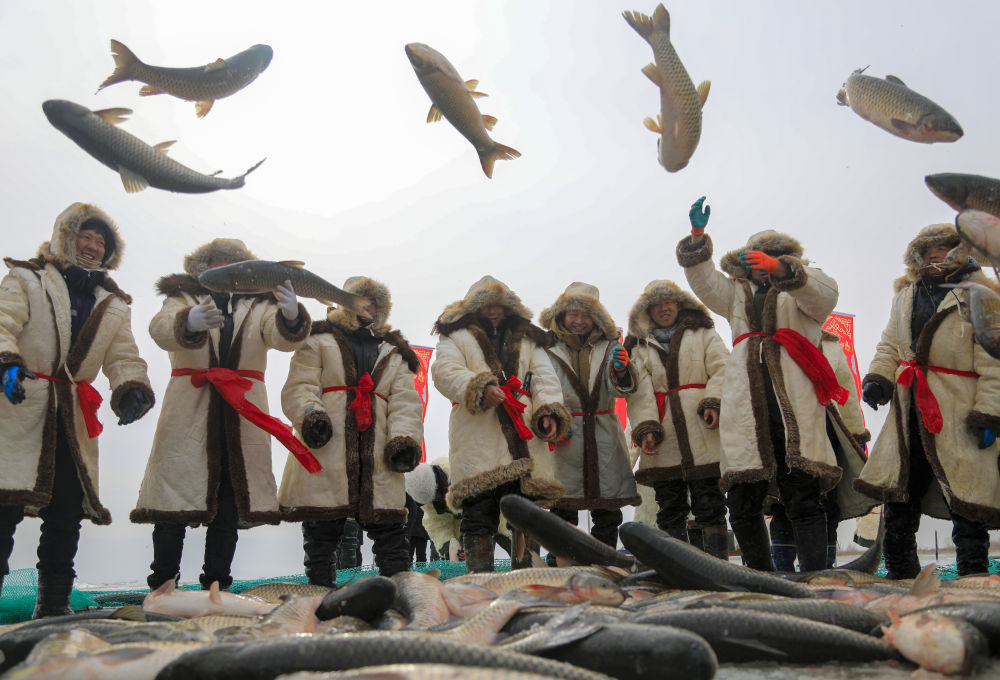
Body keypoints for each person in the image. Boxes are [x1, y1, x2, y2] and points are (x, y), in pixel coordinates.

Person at [0, 203, 154, 617]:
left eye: (100, 242)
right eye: (84, 237)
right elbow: (2, 321)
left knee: (66, 513)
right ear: (65, 237)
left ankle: (51, 606)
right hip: (20, 405)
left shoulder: (114, 304)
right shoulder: (26, 278)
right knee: (3, 506)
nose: (91, 246)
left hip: (71, 414)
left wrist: (130, 388)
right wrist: (6, 362)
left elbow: (124, 355)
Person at [131, 238, 311, 591]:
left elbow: (282, 339)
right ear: (203, 267)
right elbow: (160, 328)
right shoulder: (182, 296)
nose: (224, 267)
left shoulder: (261, 304)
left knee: (229, 503)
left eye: (233, 263)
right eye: (217, 262)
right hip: (190, 408)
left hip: (242, 410)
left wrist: (291, 316)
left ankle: (217, 585)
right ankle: (162, 584)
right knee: (172, 502)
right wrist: (189, 321)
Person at [677, 196, 845, 572]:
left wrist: (783, 269)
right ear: (744, 265)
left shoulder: (803, 290)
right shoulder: (736, 294)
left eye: (769, 259)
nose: (761, 267)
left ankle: (816, 574)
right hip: (746, 406)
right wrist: (697, 236)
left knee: (801, 495)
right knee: (742, 496)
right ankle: (760, 574)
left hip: (794, 407)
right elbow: (703, 282)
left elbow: (826, 293)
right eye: (755, 261)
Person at [855, 223, 1000, 578]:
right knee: (901, 492)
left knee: (967, 497)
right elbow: (890, 344)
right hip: (909, 409)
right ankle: (901, 574)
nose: (935, 257)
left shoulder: (981, 295)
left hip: (960, 407)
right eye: (928, 252)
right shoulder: (905, 295)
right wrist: (878, 378)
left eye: (945, 251)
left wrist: (990, 413)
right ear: (918, 257)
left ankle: (972, 575)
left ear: (960, 253)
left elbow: (994, 359)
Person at [280, 276, 423, 585]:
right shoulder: (316, 338)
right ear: (346, 302)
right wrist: (311, 417)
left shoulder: (395, 351)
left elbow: (406, 402)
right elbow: (299, 386)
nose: (367, 307)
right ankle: (320, 596)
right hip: (326, 445)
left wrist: (404, 439)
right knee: (321, 534)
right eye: (360, 300)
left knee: (391, 535)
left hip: (380, 452)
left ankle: (401, 596)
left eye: (374, 303)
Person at [431, 275, 570, 572]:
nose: (493, 310)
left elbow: (544, 378)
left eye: (498, 305)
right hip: (477, 434)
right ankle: (479, 580)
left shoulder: (530, 339)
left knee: (526, 512)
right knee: (478, 513)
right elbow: (444, 371)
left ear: (508, 307)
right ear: (473, 308)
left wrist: (548, 411)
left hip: (523, 434)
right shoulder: (455, 337)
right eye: (486, 305)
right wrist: (478, 386)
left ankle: (527, 577)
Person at [623, 279, 730, 560]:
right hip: (664, 433)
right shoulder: (639, 345)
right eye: (657, 304)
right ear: (648, 310)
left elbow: (722, 369)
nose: (664, 308)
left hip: (703, 428)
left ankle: (717, 566)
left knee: (710, 502)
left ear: (679, 304)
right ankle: (677, 567)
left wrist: (713, 402)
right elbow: (640, 393)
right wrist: (645, 427)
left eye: (669, 302)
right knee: (669, 507)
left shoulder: (704, 333)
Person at [540, 282, 639, 556]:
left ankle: (603, 562)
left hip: (603, 434)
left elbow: (619, 390)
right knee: (562, 510)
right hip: (563, 437)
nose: (579, 321)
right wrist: (553, 418)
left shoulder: (610, 345)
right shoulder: (545, 347)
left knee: (607, 510)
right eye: (574, 314)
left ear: (597, 317)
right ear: (562, 314)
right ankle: (560, 566)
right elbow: (540, 387)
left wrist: (621, 372)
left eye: (586, 315)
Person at [769, 330, 874, 570]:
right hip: (785, 430)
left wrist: (856, 433)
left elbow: (846, 392)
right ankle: (783, 569)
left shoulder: (831, 347)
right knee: (784, 501)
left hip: (826, 430)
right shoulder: (772, 341)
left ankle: (822, 569)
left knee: (827, 501)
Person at [405, 458, 512, 562]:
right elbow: (436, 523)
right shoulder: (429, 498)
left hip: (500, 513)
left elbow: (480, 510)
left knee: (515, 546)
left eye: (437, 496)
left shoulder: (463, 475)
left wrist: (472, 543)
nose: (436, 499)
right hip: (465, 526)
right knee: (473, 563)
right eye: (433, 499)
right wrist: (448, 544)